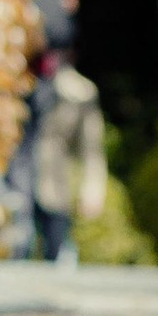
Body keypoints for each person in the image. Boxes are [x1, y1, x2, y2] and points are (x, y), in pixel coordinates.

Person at [26, 20, 110, 264]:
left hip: (54, 186)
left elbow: (91, 147)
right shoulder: (14, 81)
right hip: (17, 187)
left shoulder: (80, 92)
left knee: (56, 258)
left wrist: (93, 187)